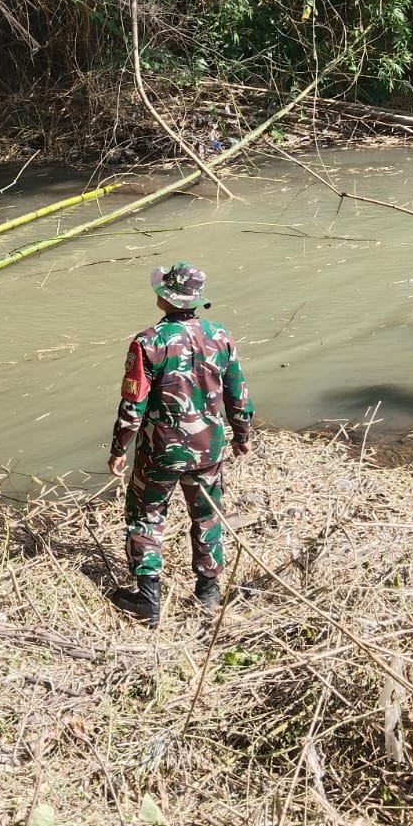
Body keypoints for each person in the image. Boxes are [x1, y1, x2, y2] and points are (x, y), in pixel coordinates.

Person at [107, 262, 252, 627]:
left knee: (145, 515)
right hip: (209, 449)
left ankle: (148, 597)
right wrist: (241, 435)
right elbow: (238, 394)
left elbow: (133, 403)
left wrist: (119, 447)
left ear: (163, 297)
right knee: (205, 516)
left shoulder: (147, 342)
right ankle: (207, 592)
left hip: (161, 451)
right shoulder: (221, 336)